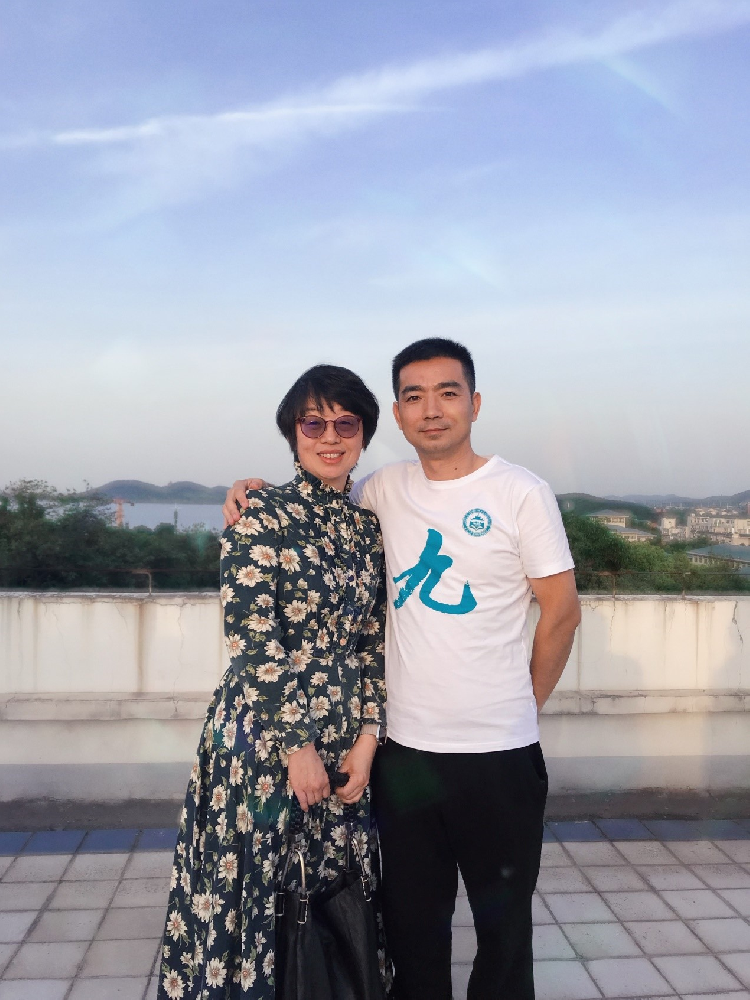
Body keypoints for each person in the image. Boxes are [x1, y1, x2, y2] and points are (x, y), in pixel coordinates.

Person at [224, 338, 581, 1000]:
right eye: (414, 397)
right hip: (406, 754)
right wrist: (253, 491)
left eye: (447, 393)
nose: (431, 410)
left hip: (499, 754)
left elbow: (561, 613)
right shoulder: (382, 490)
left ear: (474, 403)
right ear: (396, 413)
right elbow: (318, 500)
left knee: (505, 932)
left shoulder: (520, 492)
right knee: (413, 930)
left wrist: (522, 703)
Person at [158, 364, 388, 1000]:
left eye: (346, 423)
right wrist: (298, 747)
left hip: (345, 740)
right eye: (313, 423)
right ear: (293, 433)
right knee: (256, 894)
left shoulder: (368, 529)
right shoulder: (260, 513)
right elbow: (252, 638)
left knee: (332, 899)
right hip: (264, 741)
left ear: (364, 433)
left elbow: (373, 642)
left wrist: (368, 738)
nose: (330, 436)